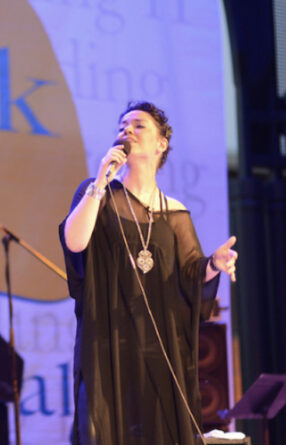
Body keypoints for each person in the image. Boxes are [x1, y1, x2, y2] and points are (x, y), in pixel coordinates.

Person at [59, 101, 238, 445]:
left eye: (138, 124)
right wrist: (100, 180)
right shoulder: (97, 194)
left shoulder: (175, 212)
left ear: (161, 144)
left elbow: (190, 274)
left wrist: (213, 265)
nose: (127, 129)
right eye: (122, 125)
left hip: (159, 351)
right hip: (106, 345)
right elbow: (75, 242)